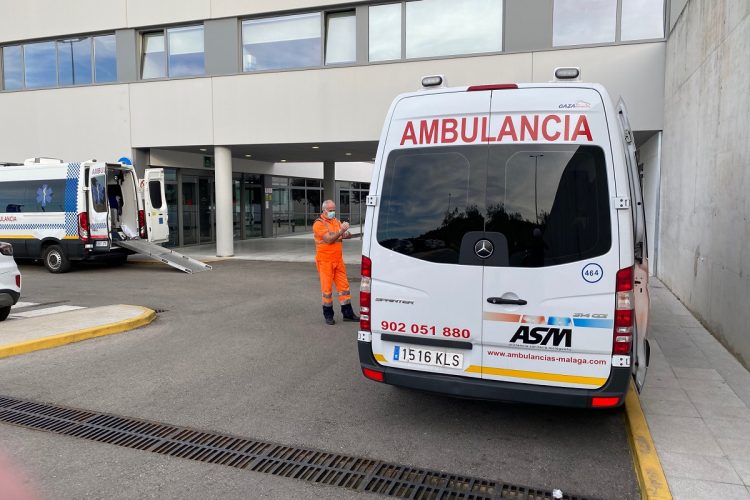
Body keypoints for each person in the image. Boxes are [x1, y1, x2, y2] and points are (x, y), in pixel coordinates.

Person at [313, 200, 360, 325]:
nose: (333, 212)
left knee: (344, 288)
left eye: (334, 210)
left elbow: (347, 235)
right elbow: (328, 240)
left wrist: (346, 232)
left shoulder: (336, 221)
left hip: (338, 260)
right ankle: (328, 315)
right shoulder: (319, 224)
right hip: (325, 261)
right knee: (327, 290)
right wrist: (340, 232)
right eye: (330, 210)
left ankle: (348, 314)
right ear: (324, 210)